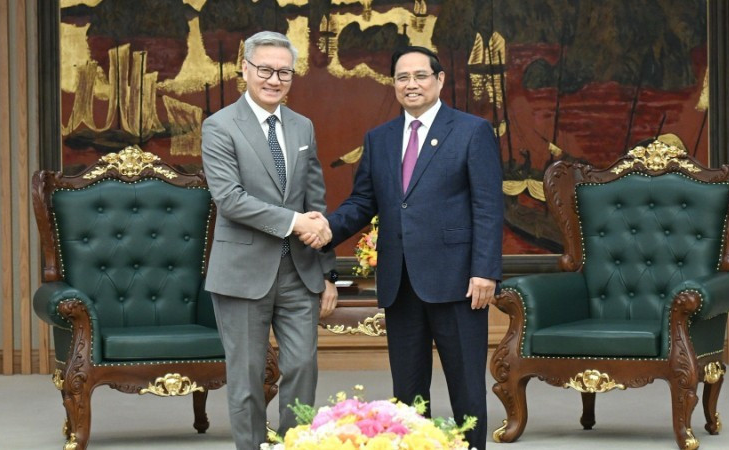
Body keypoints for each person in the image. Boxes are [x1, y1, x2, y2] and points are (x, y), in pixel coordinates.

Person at [312, 46, 503, 449]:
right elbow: (363, 202)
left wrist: (485, 270)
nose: (411, 84)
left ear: (439, 80)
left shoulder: (471, 130)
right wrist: (324, 229)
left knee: (466, 387)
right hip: (400, 282)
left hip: (459, 282)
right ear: (394, 84)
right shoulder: (379, 139)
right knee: (409, 393)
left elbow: (488, 206)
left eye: (420, 76)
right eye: (402, 77)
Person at [201, 31, 338, 449]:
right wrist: (297, 221)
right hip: (243, 273)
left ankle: (296, 445)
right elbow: (230, 199)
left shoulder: (302, 126)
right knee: (245, 378)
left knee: (302, 368)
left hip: (299, 272)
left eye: (284, 72)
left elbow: (316, 200)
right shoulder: (219, 125)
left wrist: (328, 271)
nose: (274, 79)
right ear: (245, 70)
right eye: (265, 70)